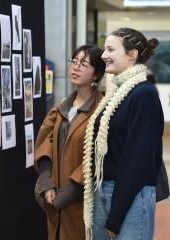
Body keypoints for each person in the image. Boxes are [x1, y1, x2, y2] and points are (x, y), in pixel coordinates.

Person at [82, 27, 164, 240]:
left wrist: (117, 214)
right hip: (102, 189)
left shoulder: (143, 93)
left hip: (131, 194)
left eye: (110, 49)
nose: (103, 56)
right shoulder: (116, 92)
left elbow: (138, 158)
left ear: (132, 54)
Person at [34, 44, 106, 240]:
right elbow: (45, 144)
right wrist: (47, 184)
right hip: (54, 197)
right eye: (74, 61)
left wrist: (65, 194)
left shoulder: (102, 111)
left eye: (83, 63)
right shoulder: (62, 107)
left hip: (80, 200)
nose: (75, 67)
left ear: (96, 74)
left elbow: (96, 158)